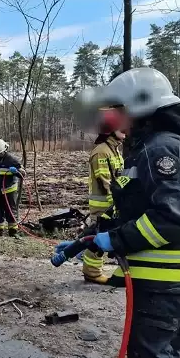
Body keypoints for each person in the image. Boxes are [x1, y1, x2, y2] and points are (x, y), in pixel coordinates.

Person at [63, 67, 180, 357]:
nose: (113, 118)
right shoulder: (149, 148)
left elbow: (175, 215)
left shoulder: (161, 148)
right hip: (161, 282)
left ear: (140, 106)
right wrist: (87, 240)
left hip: (164, 282)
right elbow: (137, 212)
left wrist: (115, 241)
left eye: (118, 109)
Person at [81, 108, 125, 284]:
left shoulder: (113, 149)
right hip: (103, 205)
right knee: (98, 239)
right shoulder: (101, 151)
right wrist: (121, 197)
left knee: (106, 237)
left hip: (113, 204)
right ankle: (91, 272)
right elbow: (105, 182)